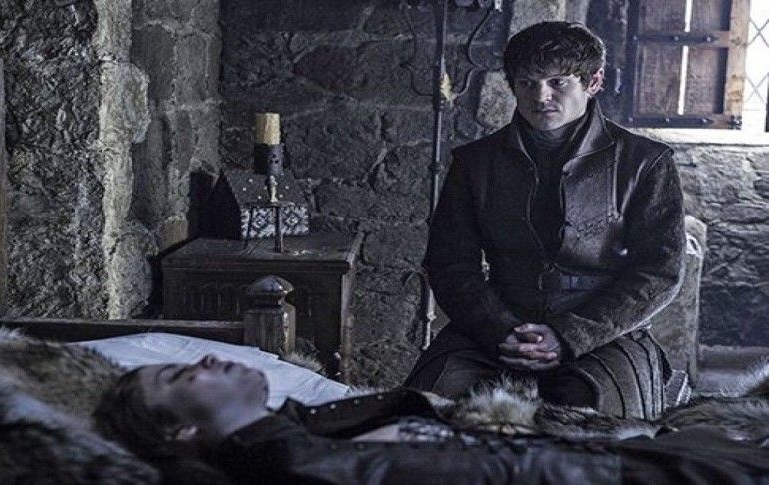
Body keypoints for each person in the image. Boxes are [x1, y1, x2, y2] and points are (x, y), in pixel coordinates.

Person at [404, 21, 686, 419]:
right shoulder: (475, 163)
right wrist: (499, 329)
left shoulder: (645, 162)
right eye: (527, 83)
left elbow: (661, 270)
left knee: (609, 426)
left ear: (593, 82)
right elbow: (450, 262)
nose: (541, 96)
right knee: (421, 411)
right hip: (497, 328)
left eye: (558, 82)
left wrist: (573, 335)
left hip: (604, 331)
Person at [94, 355, 769, 485]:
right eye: (179, 376)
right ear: (180, 430)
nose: (206, 357)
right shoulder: (292, 463)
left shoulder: (311, 429)